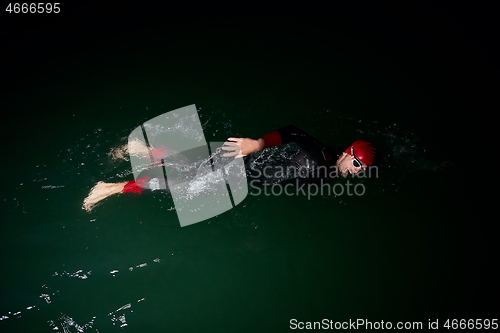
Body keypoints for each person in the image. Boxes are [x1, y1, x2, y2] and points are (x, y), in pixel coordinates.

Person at [82, 125, 376, 212]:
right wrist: (259, 143)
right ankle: (111, 188)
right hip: (244, 166)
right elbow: (294, 133)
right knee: (183, 183)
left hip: (248, 177)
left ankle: (142, 151)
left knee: (189, 170)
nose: (357, 171)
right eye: (357, 163)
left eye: (362, 169)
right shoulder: (319, 153)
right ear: (347, 153)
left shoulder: (330, 174)